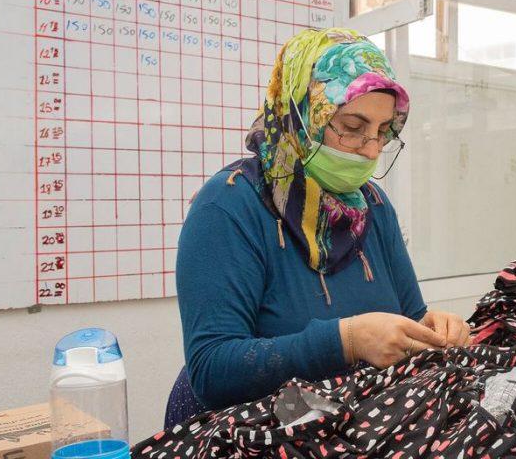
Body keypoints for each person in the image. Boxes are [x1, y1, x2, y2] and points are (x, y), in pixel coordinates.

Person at [165, 28, 472, 425]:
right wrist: (346, 341)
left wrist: (432, 331)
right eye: (353, 126)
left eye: (383, 132)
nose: (371, 150)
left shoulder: (374, 206)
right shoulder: (228, 206)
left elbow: (411, 320)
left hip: (344, 424)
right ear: (302, 114)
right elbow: (212, 371)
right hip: (248, 432)